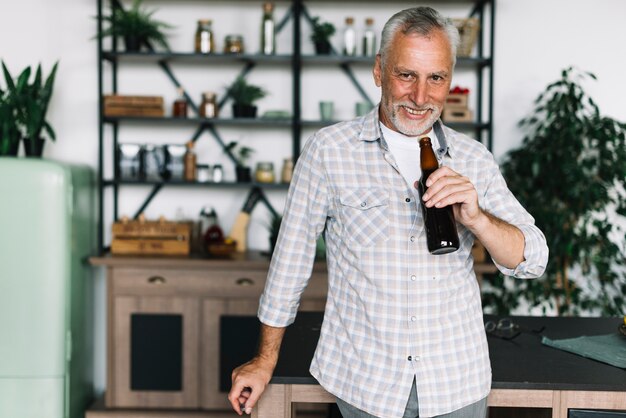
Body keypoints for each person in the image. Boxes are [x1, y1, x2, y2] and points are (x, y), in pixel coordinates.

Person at [228, 6, 548, 418]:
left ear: (450, 78)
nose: (420, 97)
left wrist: (477, 219)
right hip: (366, 383)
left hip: (456, 383)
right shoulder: (329, 151)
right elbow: (290, 262)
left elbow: (532, 259)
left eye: (436, 78)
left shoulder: (474, 159)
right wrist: (264, 359)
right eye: (406, 75)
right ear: (379, 71)